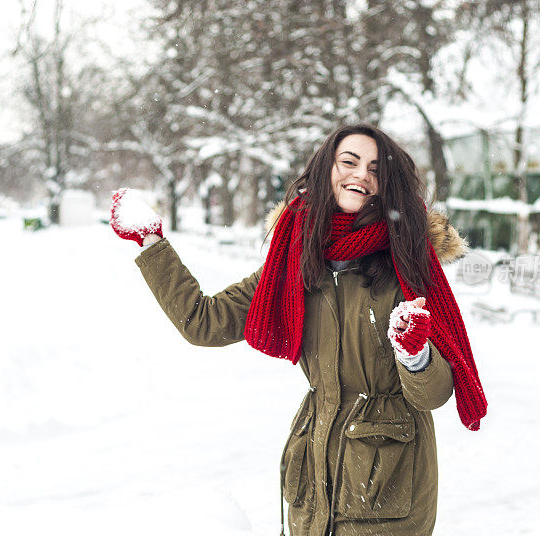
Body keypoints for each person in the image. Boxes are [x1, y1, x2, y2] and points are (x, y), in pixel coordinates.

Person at [110, 124, 487, 536]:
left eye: (375, 169)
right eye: (350, 161)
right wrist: (151, 245)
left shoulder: (407, 261)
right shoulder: (294, 257)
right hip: (313, 476)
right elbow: (204, 322)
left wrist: (415, 353)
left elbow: (433, 394)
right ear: (328, 168)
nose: (361, 174)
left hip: (388, 490)